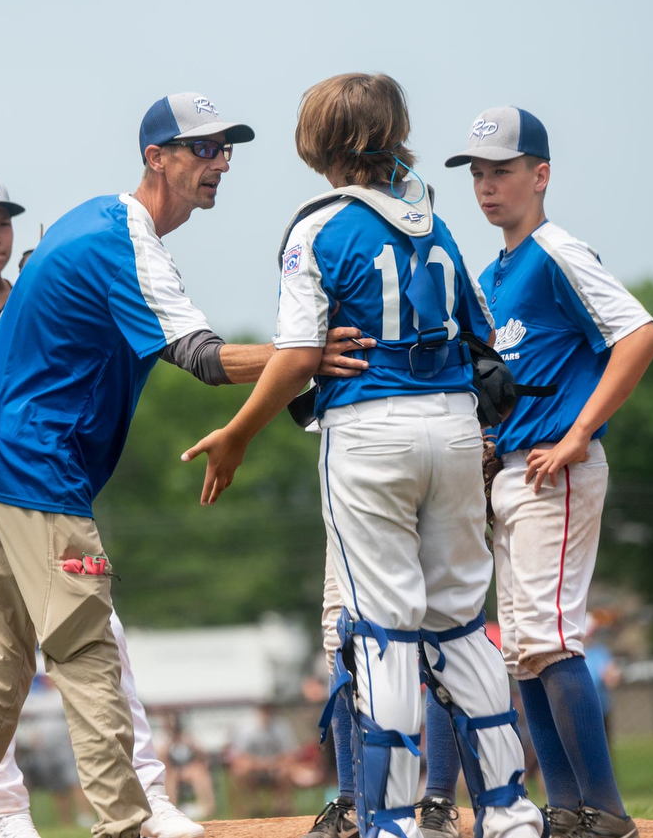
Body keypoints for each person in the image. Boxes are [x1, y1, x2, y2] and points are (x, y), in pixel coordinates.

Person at [0, 92, 369, 838]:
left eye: (225, 148)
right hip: (34, 467)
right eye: (201, 148)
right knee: (87, 650)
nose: (218, 161)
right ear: (155, 157)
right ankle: (126, 824)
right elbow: (202, 357)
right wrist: (306, 356)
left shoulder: (93, 220)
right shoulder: (124, 239)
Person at [182, 73, 544, 838]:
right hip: (451, 424)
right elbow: (478, 339)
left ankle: (393, 818)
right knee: (459, 623)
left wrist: (239, 431)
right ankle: (509, 811)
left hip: (371, 431)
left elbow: (297, 353)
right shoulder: (435, 226)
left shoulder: (319, 225)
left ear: (318, 146)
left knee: (382, 626)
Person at [0, 173, 200, 838]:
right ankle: (116, 818)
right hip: (14, 485)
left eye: (1, 223)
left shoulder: (29, 299)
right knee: (86, 648)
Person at [431, 105, 653, 838]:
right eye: (477, 172)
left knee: (552, 637)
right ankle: (564, 806)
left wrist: (579, 432)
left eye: (501, 170)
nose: (486, 185)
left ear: (541, 174)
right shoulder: (493, 272)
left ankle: (609, 811)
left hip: (555, 468)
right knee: (525, 647)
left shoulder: (557, 249)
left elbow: (641, 334)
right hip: (511, 474)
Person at [225, 705, 298, 818]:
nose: (266, 713)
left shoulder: (281, 726)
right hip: (254, 769)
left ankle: (281, 806)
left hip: (275, 768)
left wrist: (272, 764)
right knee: (240, 771)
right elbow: (239, 757)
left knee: (287, 770)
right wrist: (260, 765)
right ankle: (252, 806)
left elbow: (290, 754)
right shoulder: (246, 728)